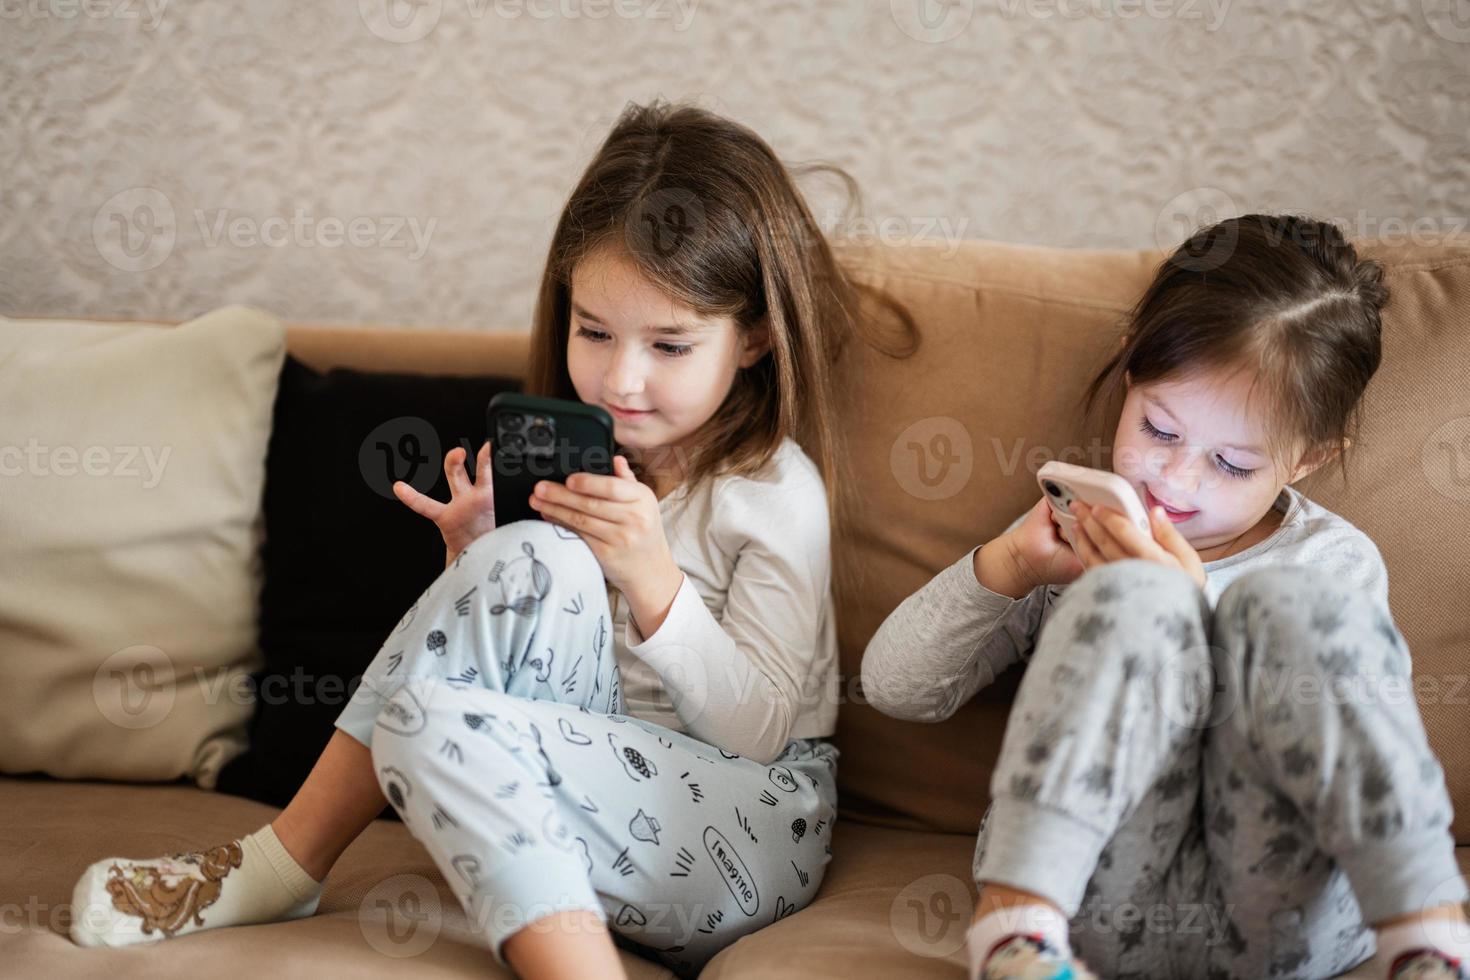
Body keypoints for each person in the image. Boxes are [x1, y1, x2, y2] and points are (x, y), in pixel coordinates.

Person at [862, 214, 1469, 980]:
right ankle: (1014, 934)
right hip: (1093, 907)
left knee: (1286, 610)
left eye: (1232, 463)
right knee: (1131, 604)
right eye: (1159, 429)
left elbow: (1355, 753)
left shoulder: (1333, 564)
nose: (1177, 482)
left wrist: (1197, 623)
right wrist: (1010, 564)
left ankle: (1429, 939)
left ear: (1308, 459)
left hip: (1283, 908)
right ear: (1130, 376)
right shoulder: (1081, 532)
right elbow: (896, 689)